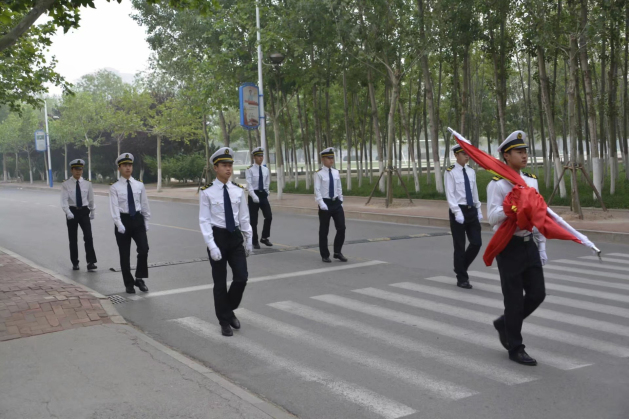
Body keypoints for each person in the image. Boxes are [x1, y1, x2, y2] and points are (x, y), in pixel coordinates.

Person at [487, 130, 546, 366]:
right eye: (519, 152)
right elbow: (491, 217)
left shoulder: (531, 180)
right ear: (506, 156)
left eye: (525, 152)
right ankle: (515, 347)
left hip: (529, 243)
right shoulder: (497, 184)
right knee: (513, 299)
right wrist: (512, 207)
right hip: (509, 246)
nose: (524, 156)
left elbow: (538, 214)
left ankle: (504, 323)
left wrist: (542, 246)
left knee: (537, 294)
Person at [199, 147, 253, 337]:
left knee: (241, 278)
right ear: (216, 168)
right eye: (224, 165)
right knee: (220, 283)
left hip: (235, 237)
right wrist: (211, 245)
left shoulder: (238, 190)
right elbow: (204, 220)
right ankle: (224, 321)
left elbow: (244, 217)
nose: (228, 168)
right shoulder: (207, 192)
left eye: (230, 165)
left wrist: (249, 238)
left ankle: (228, 310)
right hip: (218, 237)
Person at [109, 153, 151, 294]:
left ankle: (139, 278)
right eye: (125, 165)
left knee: (144, 249)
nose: (128, 168)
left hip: (137, 219)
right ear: (119, 168)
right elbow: (114, 207)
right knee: (124, 254)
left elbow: (144, 204)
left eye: (130, 165)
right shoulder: (114, 187)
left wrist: (146, 220)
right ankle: (129, 283)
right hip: (123, 220)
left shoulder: (139, 185)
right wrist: (118, 223)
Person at [444, 144, 482, 289]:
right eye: (464, 153)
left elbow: (474, 191)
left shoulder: (471, 171)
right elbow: (450, 194)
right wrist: (456, 212)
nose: (467, 156)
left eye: (468, 153)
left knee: (476, 243)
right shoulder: (450, 172)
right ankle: (462, 278)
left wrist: (478, 208)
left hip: (471, 210)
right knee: (459, 246)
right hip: (458, 211)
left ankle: (460, 267)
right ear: (456, 155)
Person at [60, 159, 97, 272]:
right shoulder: (66, 184)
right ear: (72, 170)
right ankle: (75, 262)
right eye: (76, 169)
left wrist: (92, 211)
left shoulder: (87, 183)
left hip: (84, 211)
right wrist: (68, 212)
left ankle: (91, 262)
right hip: (72, 211)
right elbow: (64, 200)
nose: (78, 171)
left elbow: (91, 199)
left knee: (88, 237)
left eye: (80, 169)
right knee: (73, 239)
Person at [314, 147, 347, 263]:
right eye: (329, 158)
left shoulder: (335, 172)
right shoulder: (319, 174)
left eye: (332, 158)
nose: (331, 160)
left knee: (341, 228)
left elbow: (339, 187)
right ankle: (325, 254)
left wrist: (341, 200)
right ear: (323, 159)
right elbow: (317, 190)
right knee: (324, 231)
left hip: (336, 202)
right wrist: (321, 203)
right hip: (325, 203)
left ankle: (337, 252)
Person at [245, 147, 272, 249]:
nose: (261, 158)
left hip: (262, 194)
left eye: (262, 156)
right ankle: (254, 240)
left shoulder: (265, 169)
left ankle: (264, 237)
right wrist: (253, 196)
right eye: (258, 156)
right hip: (253, 194)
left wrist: (267, 191)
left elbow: (266, 182)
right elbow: (249, 185)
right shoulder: (250, 169)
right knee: (253, 220)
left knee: (268, 216)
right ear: (254, 157)